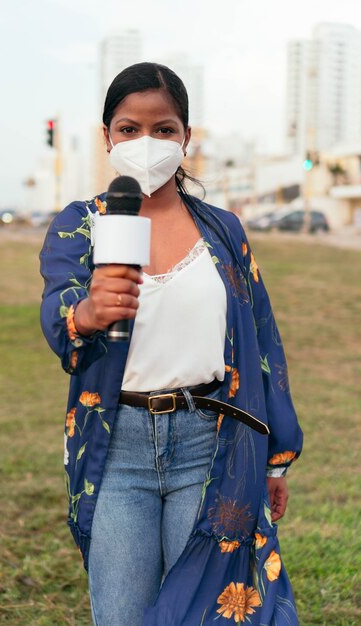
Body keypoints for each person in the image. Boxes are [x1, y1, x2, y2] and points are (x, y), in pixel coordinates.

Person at [39, 62, 304, 626]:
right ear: (107, 137)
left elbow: (263, 344)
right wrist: (86, 312)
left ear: (186, 138)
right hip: (118, 452)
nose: (146, 143)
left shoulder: (224, 231)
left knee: (207, 614)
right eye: (129, 128)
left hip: (210, 445)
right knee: (122, 616)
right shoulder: (82, 224)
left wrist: (276, 461)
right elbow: (59, 308)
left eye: (164, 129)